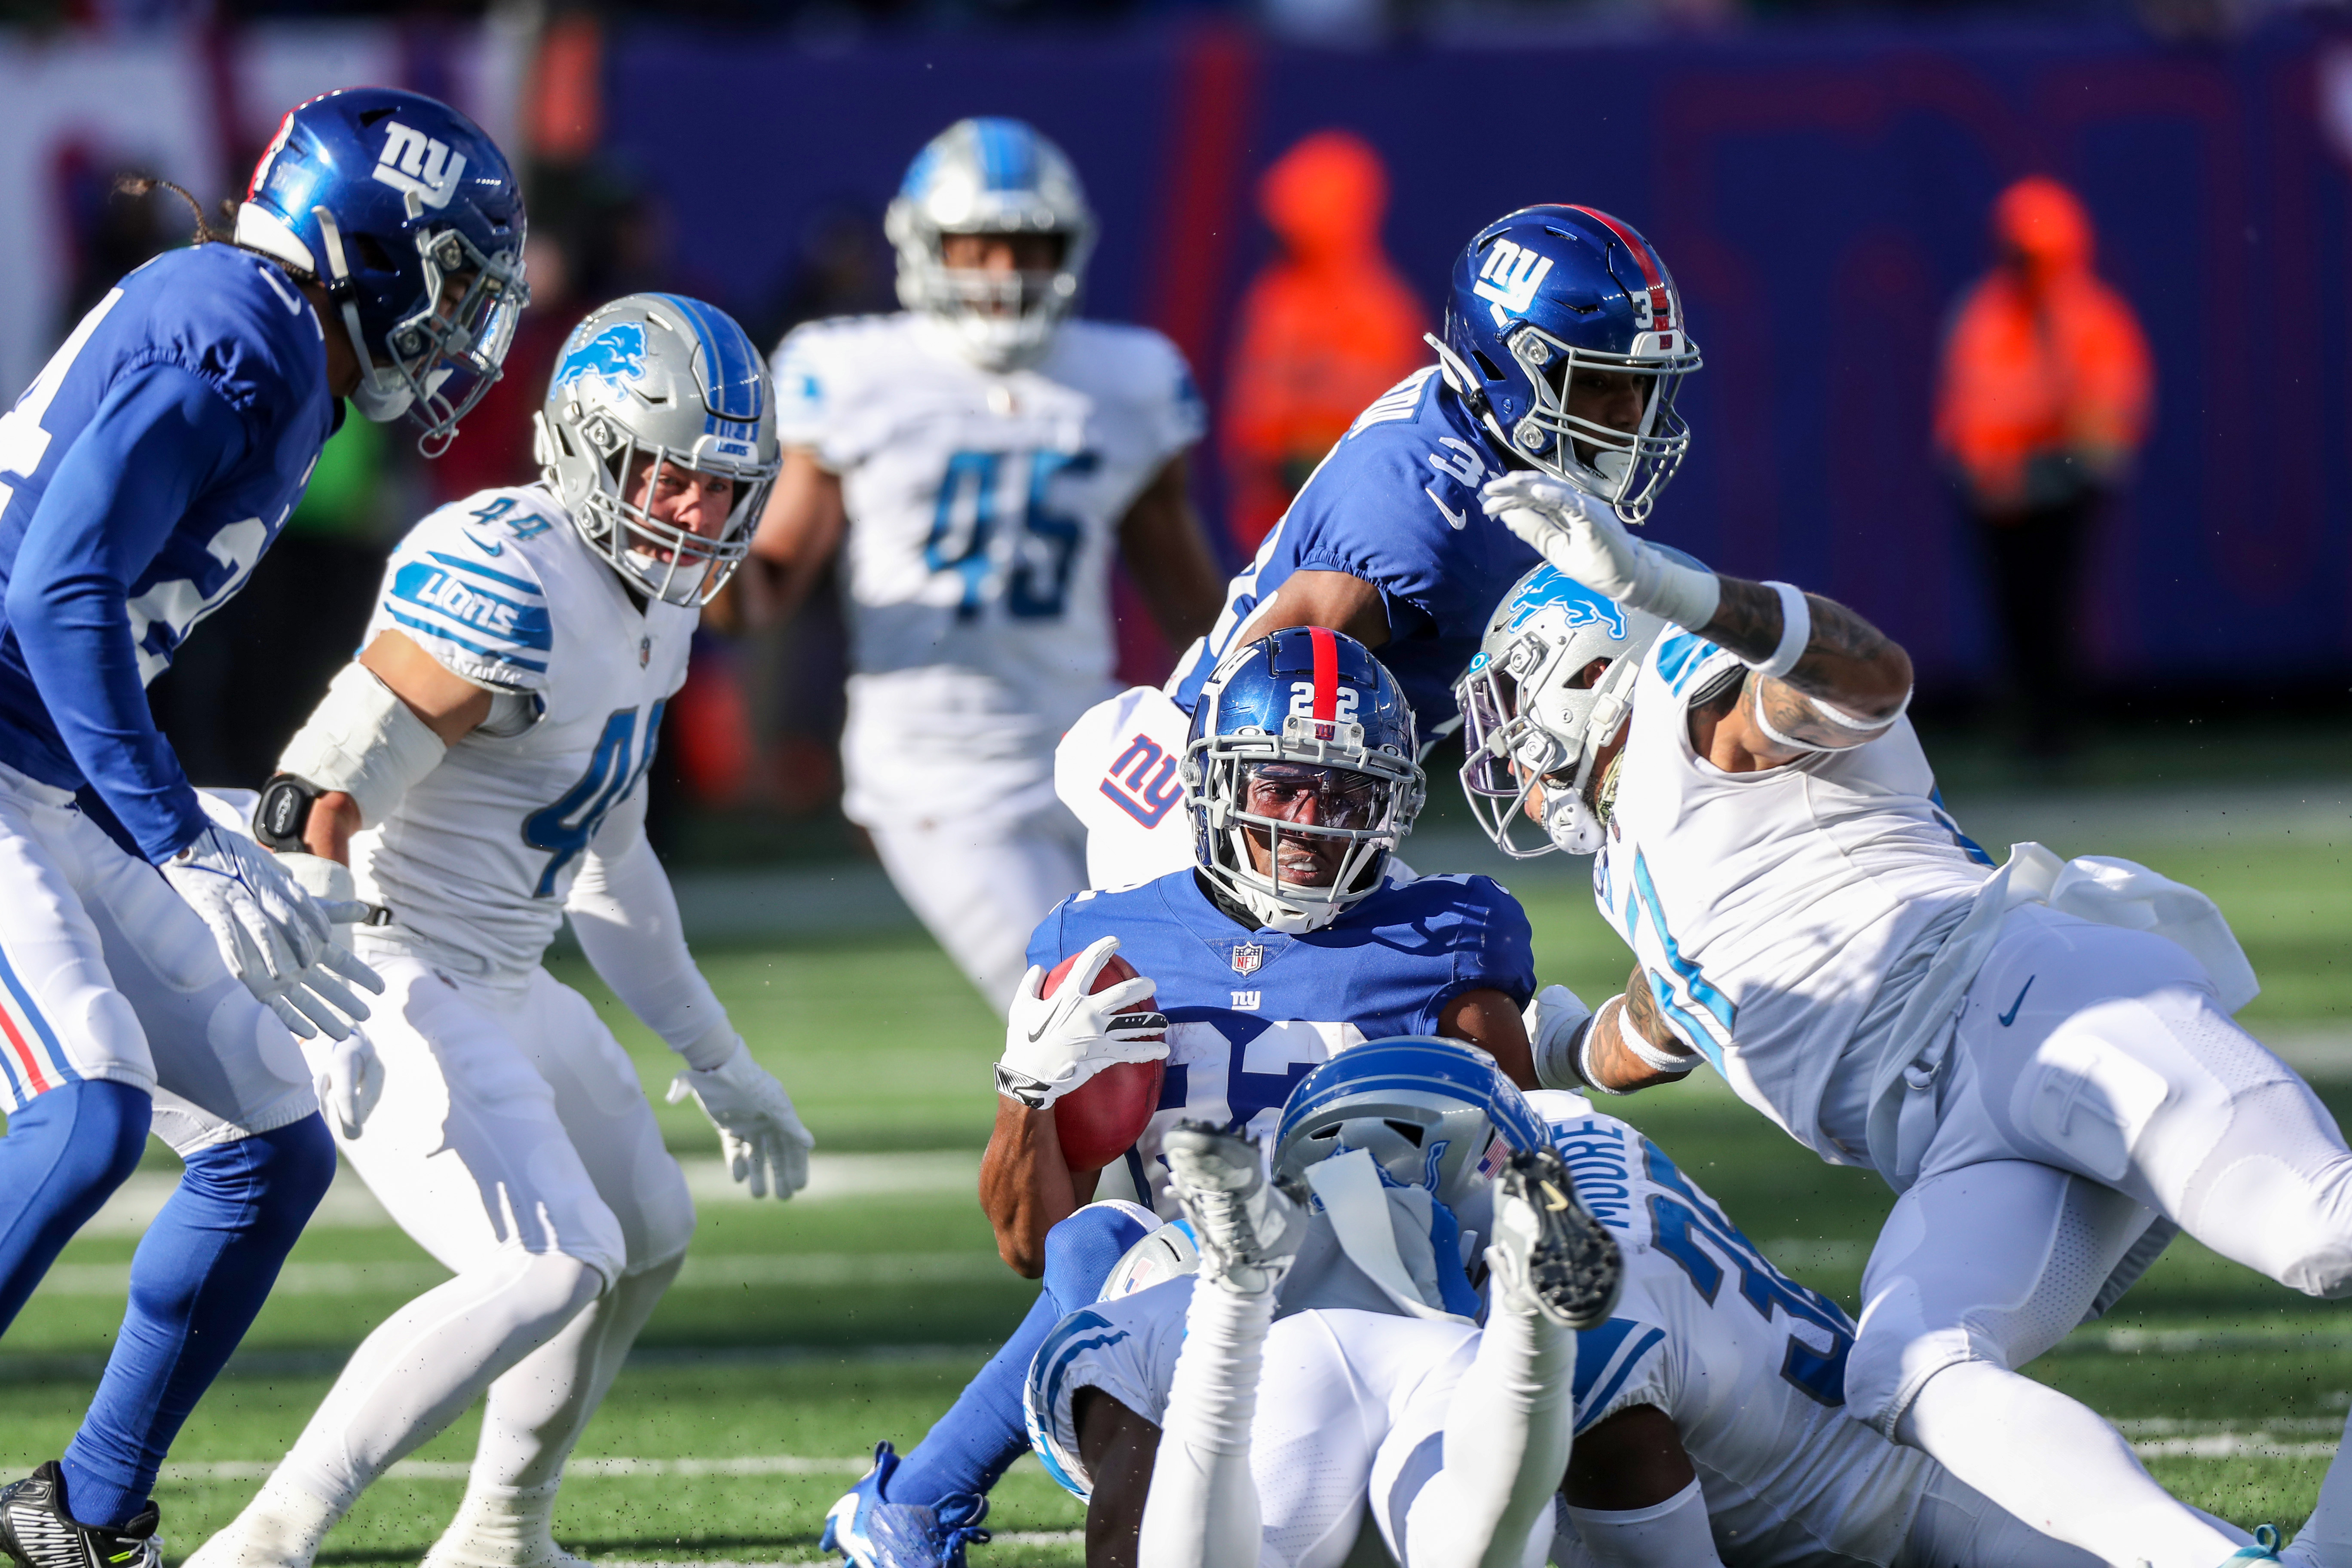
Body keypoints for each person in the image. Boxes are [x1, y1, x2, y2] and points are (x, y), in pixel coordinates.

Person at [1474, 473, 2320, 1568]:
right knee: (1911, 1375)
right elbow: (1663, 1017)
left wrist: (1664, 588)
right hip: (1955, 1133)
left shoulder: (1694, 714)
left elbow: (1867, 678)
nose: (1501, 744)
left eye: (1514, 697)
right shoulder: (1643, 865)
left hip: (2027, 1014)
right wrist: (1553, 1048)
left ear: (1591, 671)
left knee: (2320, 1233)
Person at [184, 296, 815, 1568]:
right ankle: (264, 1542)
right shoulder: (508, 573)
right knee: (550, 1262)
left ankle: (499, 1535)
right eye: (672, 476)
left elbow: (612, 858)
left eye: (724, 485)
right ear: (589, 448)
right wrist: (348, 969)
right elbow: (316, 789)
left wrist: (718, 1055)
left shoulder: (656, 601)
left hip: (506, 969)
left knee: (645, 1233)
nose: (700, 512)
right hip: (387, 958)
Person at [0, 87, 526, 1568]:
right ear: (369, 242)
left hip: (43, 762)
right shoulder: (238, 324)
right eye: (453, 275)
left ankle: (84, 1507)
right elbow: (54, 592)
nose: (461, 322)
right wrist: (177, 833)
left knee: (265, 1137)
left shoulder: (271, 333)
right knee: (86, 1110)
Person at [822, 627, 1544, 1568]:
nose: (1311, 825)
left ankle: (917, 1499)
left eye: (1346, 794)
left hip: (1393, 1308)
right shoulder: (1108, 937)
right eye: (1281, 786)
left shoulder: (1447, 936)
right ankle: (923, 1500)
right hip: (1185, 1326)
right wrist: (1025, 1094)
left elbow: (1529, 1184)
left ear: (1394, 803)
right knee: (1104, 1244)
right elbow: (1032, 1248)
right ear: (1216, 784)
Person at [1030, 1039, 2128, 1568]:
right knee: (1480, 1545)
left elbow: (1070, 1291)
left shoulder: (1121, 1284)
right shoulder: (1593, 1175)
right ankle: (1525, 1325)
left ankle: (1241, 1299)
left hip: (1246, 1342)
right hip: (1467, 1362)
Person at [1059, 202, 1703, 890]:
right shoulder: (1423, 510)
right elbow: (1270, 683)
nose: (1631, 415)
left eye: (1639, 385)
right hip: (1228, 812)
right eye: (1600, 382)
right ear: (1508, 365)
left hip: (1293, 797)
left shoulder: (1485, 431)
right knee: (1474, 970)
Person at [750, 116, 1225, 1011]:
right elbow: (767, 585)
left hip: (1098, 743)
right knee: (1097, 1009)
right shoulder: (855, 370)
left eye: (1028, 248)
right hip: (939, 769)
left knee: (1241, 962)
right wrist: (696, 561)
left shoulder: (1127, 378)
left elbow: (1186, 596)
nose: (1004, 277)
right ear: (924, 248)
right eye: (979, 248)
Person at [1935, 175, 2153, 760]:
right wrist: (1982, 467)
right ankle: (2028, 726)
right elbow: (1967, 403)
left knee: (2057, 611)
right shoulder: (1985, 313)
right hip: (1995, 491)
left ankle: (2059, 730)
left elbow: (2108, 414)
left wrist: (2064, 462)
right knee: (2013, 614)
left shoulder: (2085, 317)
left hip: (2059, 485)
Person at [1220, 129, 1428, 552]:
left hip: (1349, 509)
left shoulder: (1382, 307)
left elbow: (1396, 422)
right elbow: (1251, 401)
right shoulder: (1273, 297)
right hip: (1271, 512)